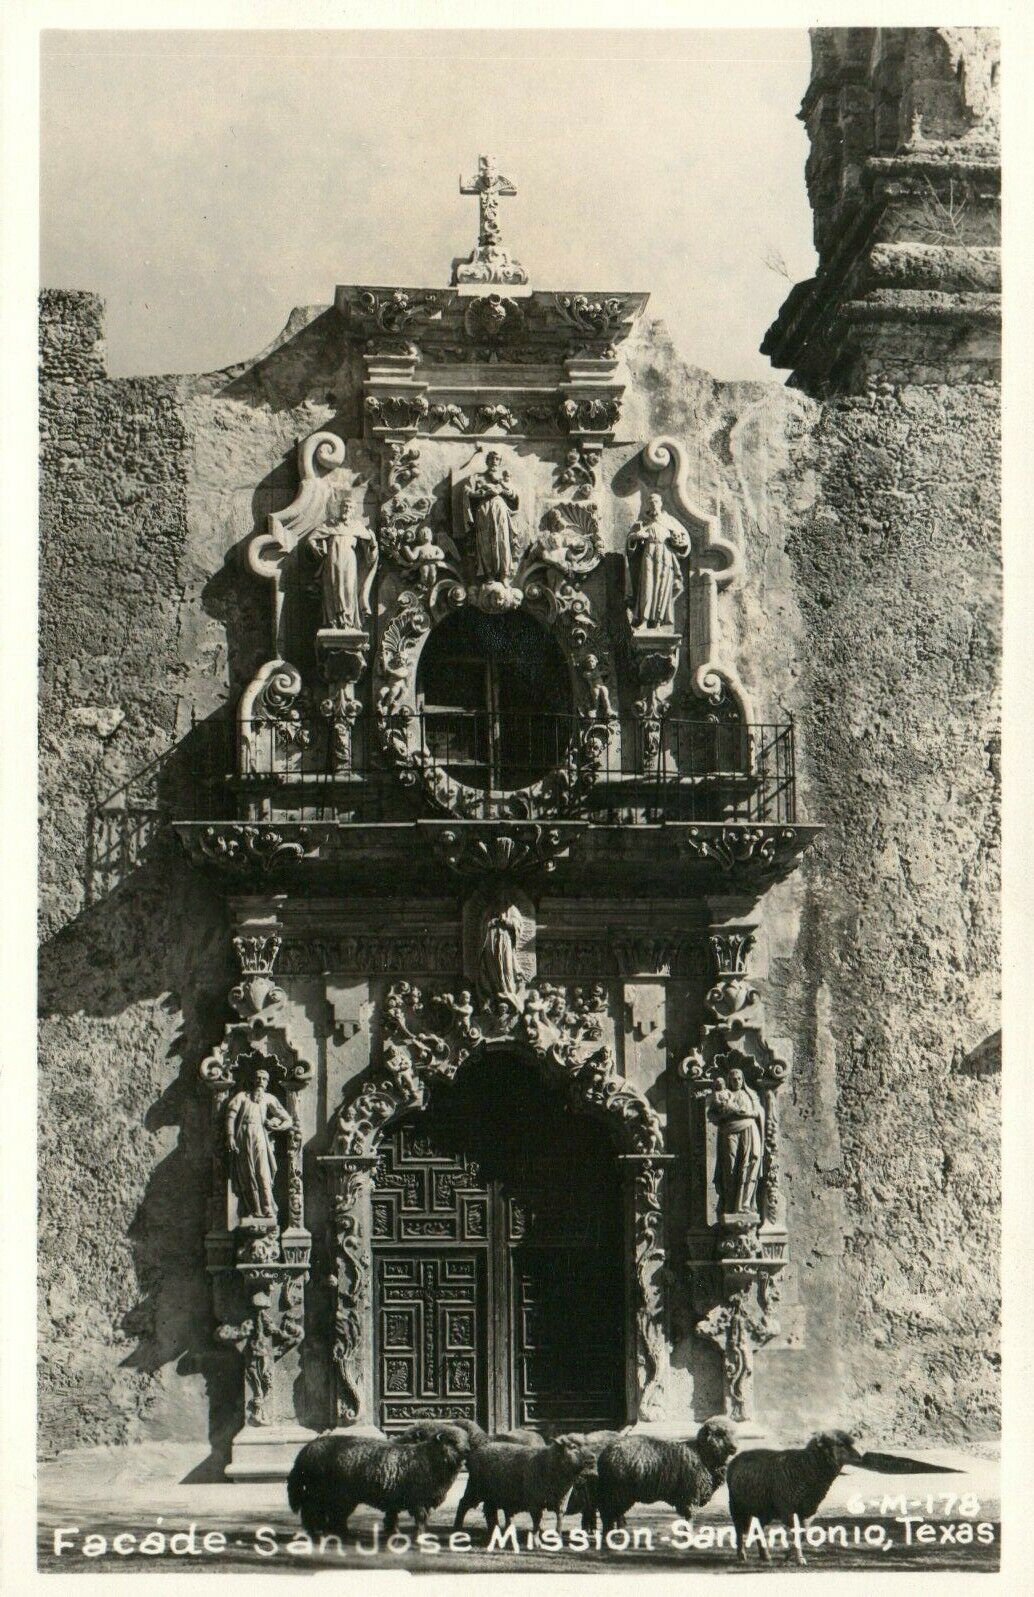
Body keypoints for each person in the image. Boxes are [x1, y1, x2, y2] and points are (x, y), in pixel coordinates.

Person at [224, 1065, 295, 1222]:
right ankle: (253, 1209)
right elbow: (231, 1114)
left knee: (263, 1172)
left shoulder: (269, 1098)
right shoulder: (242, 1096)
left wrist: (275, 1125)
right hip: (242, 1135)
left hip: (260, 1136)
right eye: (258, 1078)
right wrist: (230, 1136)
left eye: (264, 1079)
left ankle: (267, 1208)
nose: (260, 1081)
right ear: (252, 1080)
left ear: (268, 1082)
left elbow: (287, 1119)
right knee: (246, 1173)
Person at [307, 497, 379, 629]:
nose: (347, 509)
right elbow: (312, 537)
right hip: (333, 560)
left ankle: (348, 620)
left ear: (353, 511)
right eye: (344, 506)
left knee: (349, 588)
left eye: (350, 507)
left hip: (349, 561)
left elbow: (369, 548)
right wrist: (314, 546)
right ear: (340, 509)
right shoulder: (330, 525)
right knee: (334, 587)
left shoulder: (357, 527)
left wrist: (373, 545)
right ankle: (334, 620)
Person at [626, 493, 691, 629]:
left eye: (655, 501)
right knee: (647, 586)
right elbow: (631, 542)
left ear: (661, 503)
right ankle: (644, 619)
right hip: (649, 553)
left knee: (662, 587)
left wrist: (678, 542)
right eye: (650, 502)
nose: (653, 504)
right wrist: (636, 537)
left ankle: (657, 621)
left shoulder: (670, 521)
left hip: (665, 553)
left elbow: (684, 541)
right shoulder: (643, 523)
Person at [708, 1067, 764, 1215]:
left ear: (743, 1079)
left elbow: (759, 1112)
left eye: (739, 1078)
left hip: (749, 1129)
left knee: (750, 1163)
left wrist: (749, 1113)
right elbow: (712, 1115)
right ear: (729, 1081)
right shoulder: (724, 1096)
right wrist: (726, 1114)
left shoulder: (751, 1094)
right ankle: (731, 1205)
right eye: (733, 1079)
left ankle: (745, 1205)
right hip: (729, 1131)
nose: (737, 1081)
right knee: (730, 1168)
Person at [464, 452, 520, 581]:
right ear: (487, 461)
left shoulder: (503, 479)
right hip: (483, 510)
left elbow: (513, 495)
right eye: (492, 458)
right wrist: (485, 492)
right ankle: (488, 574)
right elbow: (468, 493)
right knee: (485, 542)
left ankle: (504, 574)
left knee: (502, 540)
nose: (494, 461)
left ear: (500, 462)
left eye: (497, 459)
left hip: (500, 509)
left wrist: (502, 487)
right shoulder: (477, 477)